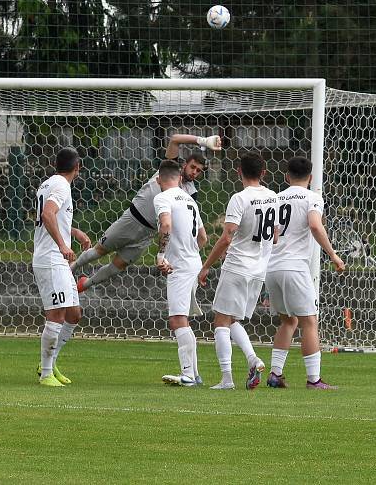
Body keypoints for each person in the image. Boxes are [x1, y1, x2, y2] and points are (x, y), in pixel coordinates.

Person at [71, 133, 220, 291]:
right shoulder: (169, 170)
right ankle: (71, 268)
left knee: (118, 266)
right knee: (99, 251)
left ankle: (84, 284)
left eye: (199, 171)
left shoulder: (191, 193)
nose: (194, 172)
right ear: (184, 165)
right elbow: (175, 139)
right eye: (192, 167)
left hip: (148, 234)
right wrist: (203, 141)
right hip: (131, 220)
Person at [264, 157, 346, 389]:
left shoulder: (275, 198)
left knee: (288, 321)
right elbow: (314, 225)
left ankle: (275, 374)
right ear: (310, 178)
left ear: (287, 176)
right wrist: (333, 255)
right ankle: (314, 380)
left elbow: (273, 232)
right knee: (309, 321)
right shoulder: (313, 197)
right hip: (294, 267)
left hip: (272, 267)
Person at [199, 151, 278, 390]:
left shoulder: (239, 198)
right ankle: (253, 359)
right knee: (232, 319)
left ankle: (227, 379)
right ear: (264, 172)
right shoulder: (273, 196)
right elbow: (274, 237)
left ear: (238, 172)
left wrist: (205, 267)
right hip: (258, 270)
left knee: (221, 321)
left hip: (238, 266)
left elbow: (226, 236)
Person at [33, 147, 91, 387]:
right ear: (77, 167)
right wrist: (62, 246)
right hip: (51, 258)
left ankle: (50, 362)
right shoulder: (61, 185)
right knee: (56, 315)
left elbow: (51, 216)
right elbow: (47, 215)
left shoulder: (48, 183)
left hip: (57, 259)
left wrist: (73, 232)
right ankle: (45, 373)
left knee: (74, 313)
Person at [152, 160, 208, 387]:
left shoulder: (162, 197)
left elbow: (165, 225)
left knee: (177, 319)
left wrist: (160, 256)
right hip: (193, 262)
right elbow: (203, 238)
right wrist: (188, 251)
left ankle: (187, 376)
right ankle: (194, 374)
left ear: (158, 180)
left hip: (179, 266)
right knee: (182, 319)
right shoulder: (190, 201)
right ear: (179, 177)